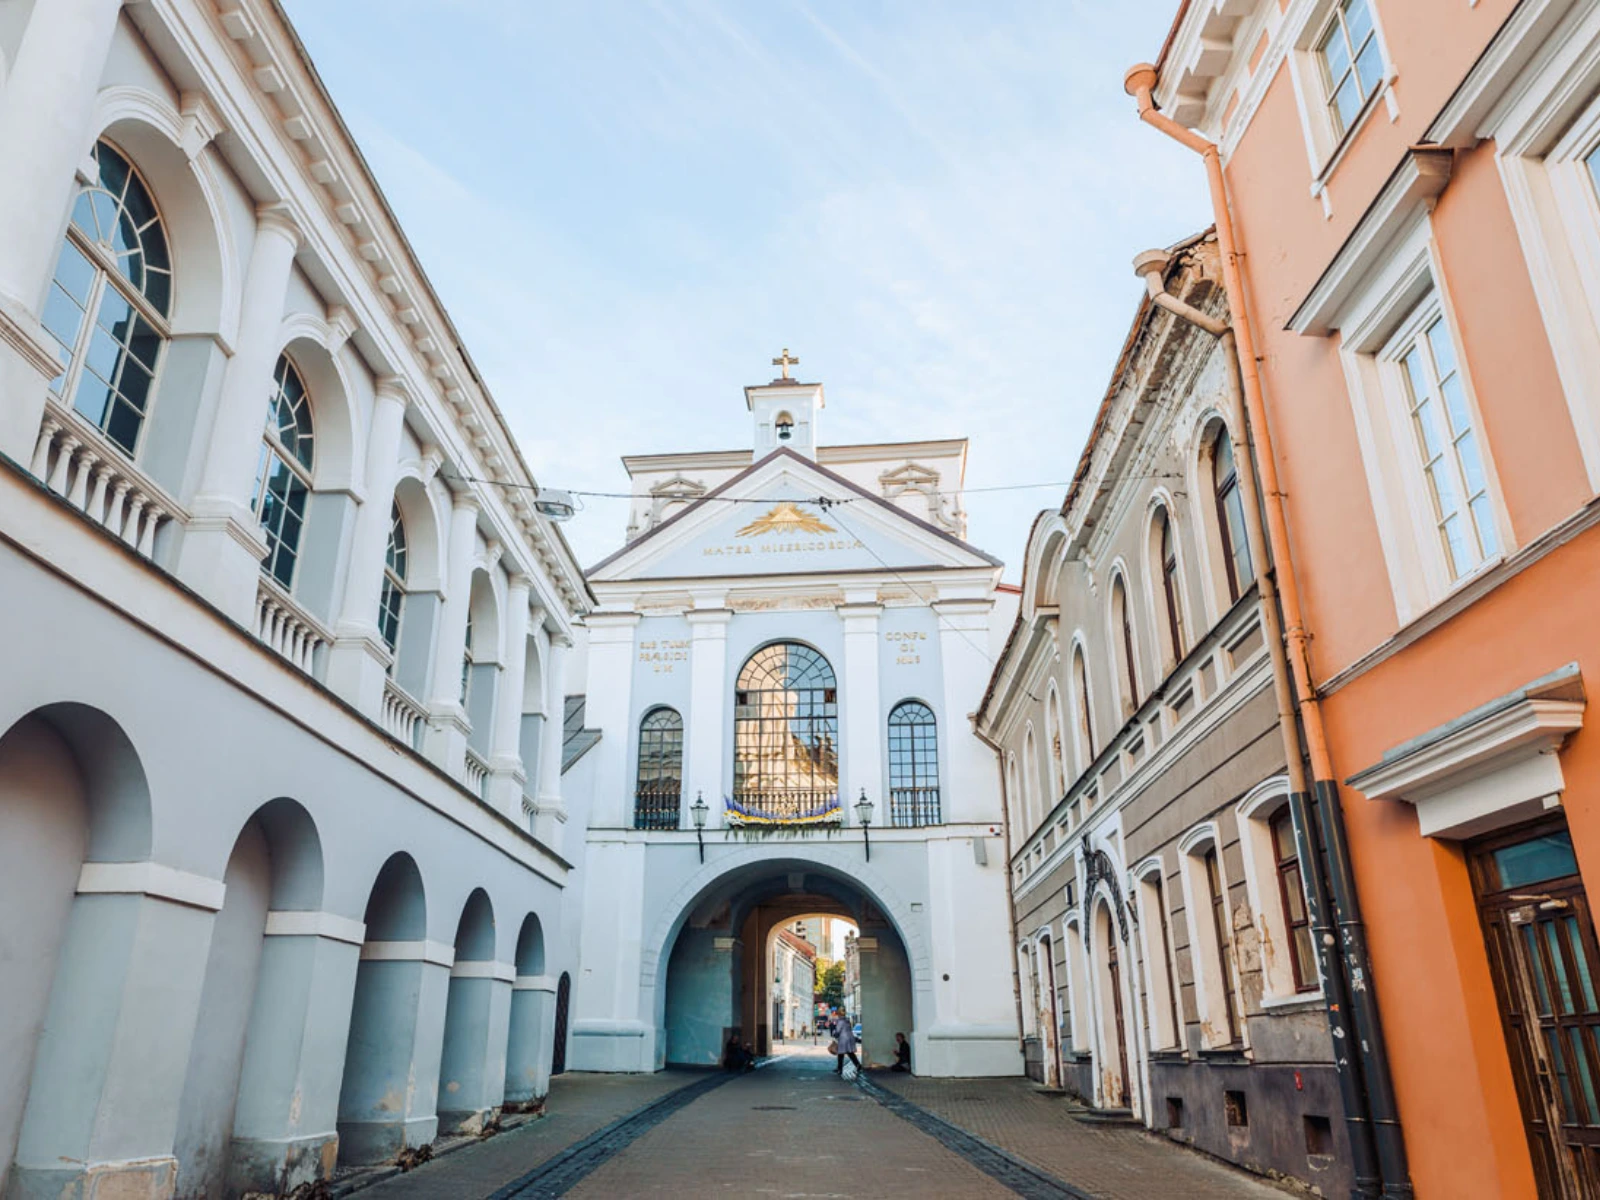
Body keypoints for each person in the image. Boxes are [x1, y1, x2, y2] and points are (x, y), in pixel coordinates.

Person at [830, 1008, 860, 1077]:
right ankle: (858, 1065)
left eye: (838, 1014)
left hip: (843, 1039)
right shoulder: (847, 1020)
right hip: (849, 1038)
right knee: (850, 1053)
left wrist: (834, 1033)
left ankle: (840, 1069)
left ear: (839, 1014)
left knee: (841, 1054)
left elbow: (837, 1031)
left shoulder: (840, 1021)